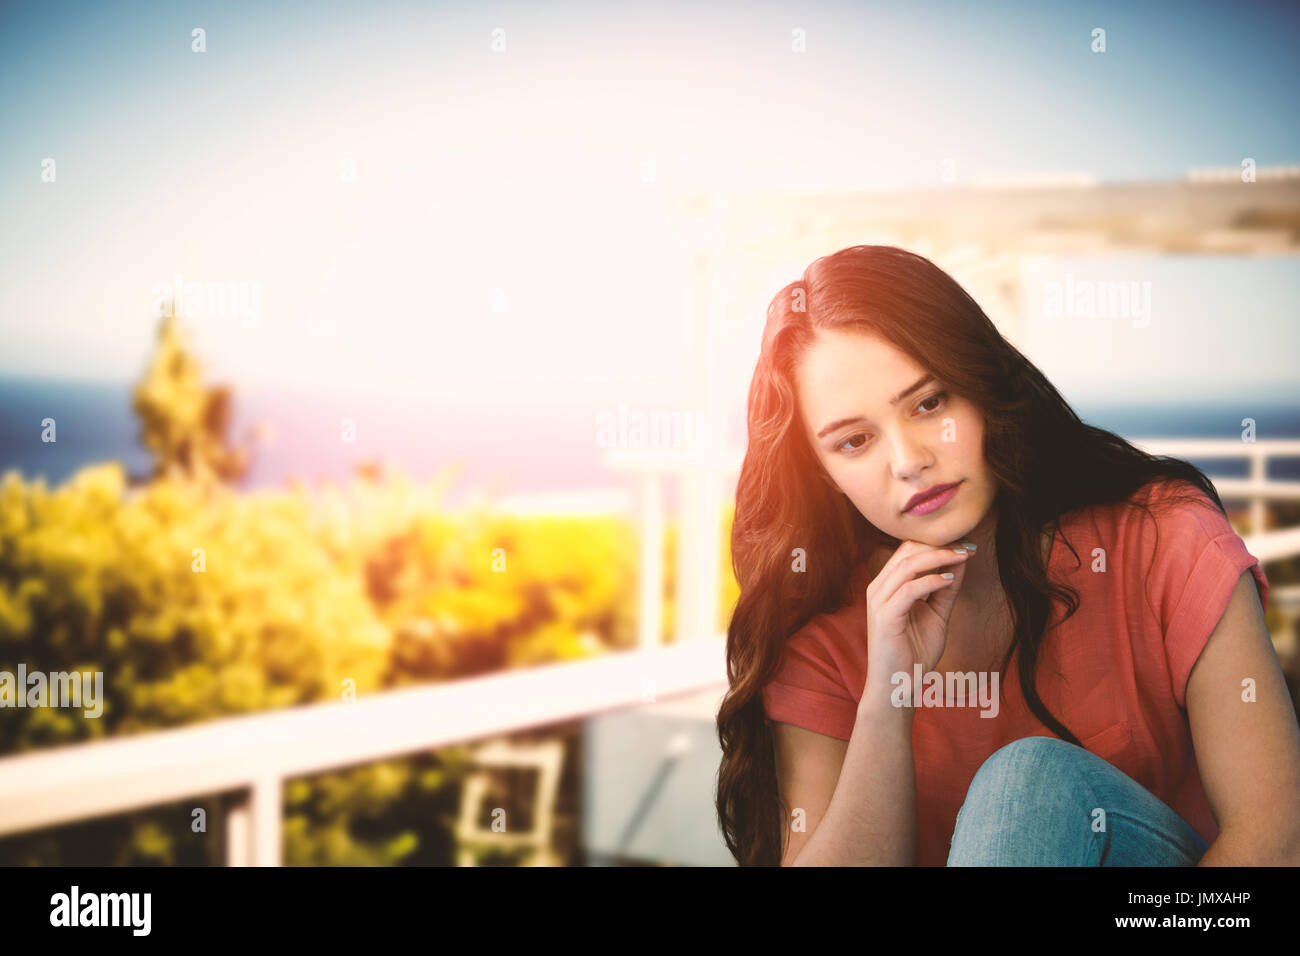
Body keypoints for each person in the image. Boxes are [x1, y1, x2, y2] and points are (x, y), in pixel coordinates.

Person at [714, 244, 1300, 866]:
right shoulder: (819, 626)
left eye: (930, 404)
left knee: (1029, 786)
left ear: (981, 385)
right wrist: (889, 695)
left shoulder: (1164, 539)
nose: (910, 460)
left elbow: (1281, 837)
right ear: (823, 472)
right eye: (855, 441)